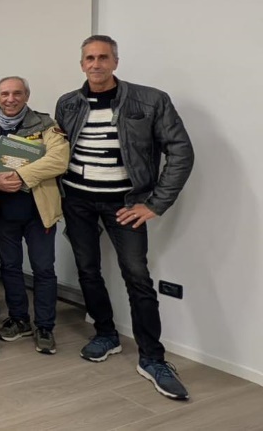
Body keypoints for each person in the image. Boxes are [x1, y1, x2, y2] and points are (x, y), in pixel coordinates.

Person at [55, 35, 194, 400]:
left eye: (103, 57)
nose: (96, 64)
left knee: (137, 276)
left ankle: (153, 358)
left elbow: (181, 152)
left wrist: (155, 204)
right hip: (77, 201)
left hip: (125, 204)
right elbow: (59, 150)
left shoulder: (151, 100)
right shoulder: (68, 103)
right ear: (81, 64)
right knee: (87, 270)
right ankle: (106, 334)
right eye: (89, 58)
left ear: (115, 62)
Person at [0, 77, 69, 355]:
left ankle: (45, 326)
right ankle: (19, 319)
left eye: (17, 93)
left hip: (38, 213)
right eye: (5, 94)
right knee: (9, 268)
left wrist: (19, 175)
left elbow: (58, 160)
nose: (11, 99)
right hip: (1, 213)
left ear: (26, 96)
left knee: (43, 269)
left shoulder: (46, 124)